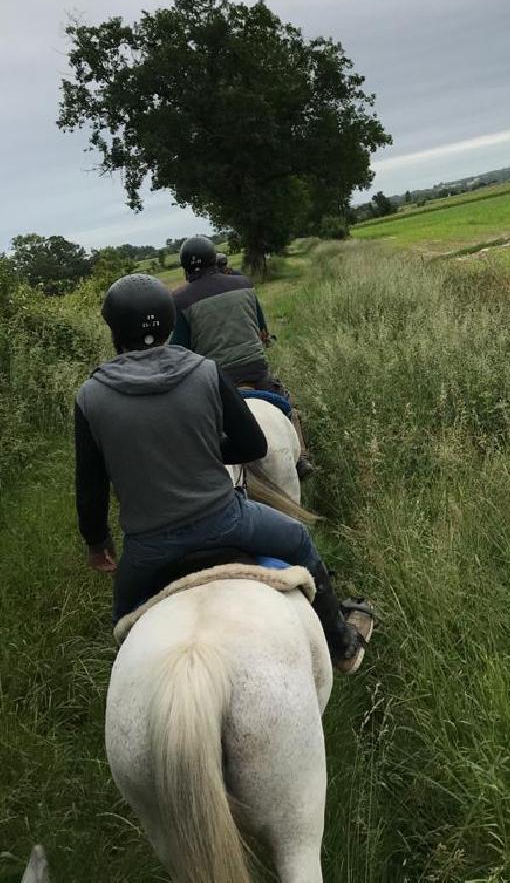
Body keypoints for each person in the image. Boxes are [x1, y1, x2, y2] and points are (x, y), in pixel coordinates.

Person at [75, 272, 372, 673]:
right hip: (227, 521)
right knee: (299, 539)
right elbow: (254, 446)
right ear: (167, 323)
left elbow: (90, 485)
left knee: (124, 628)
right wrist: (203, 452)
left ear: (114, 330)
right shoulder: (206, 371)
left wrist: (98, 544)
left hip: (149, 546)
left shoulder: (91, 395)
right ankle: (342, 648)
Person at [170, 235, 313, 476]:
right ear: (213, 260)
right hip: (256, 371)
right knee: (288, 405)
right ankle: (302, 459)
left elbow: (180, 350)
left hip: (216, 381)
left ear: (186, 268)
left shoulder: (180, 299)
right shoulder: (244, 283)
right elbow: (263, 331)